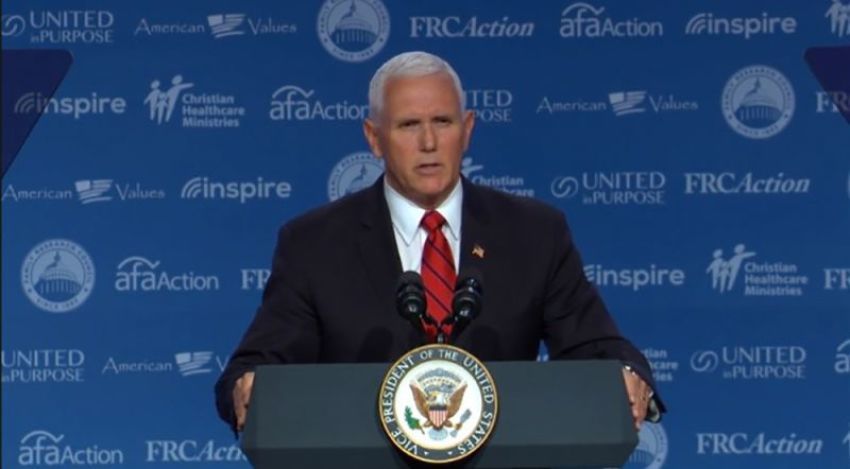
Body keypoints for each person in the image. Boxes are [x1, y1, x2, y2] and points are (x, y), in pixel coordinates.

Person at [215, 51, 665, 434]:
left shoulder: (533, 233)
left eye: (442, 122)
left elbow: (597, 347)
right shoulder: (315, 243)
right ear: (374, 138)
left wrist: (628, 374)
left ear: (467, 129)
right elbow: (257, 365)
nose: (428, 142)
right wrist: (250, 385)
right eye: (409, 125)